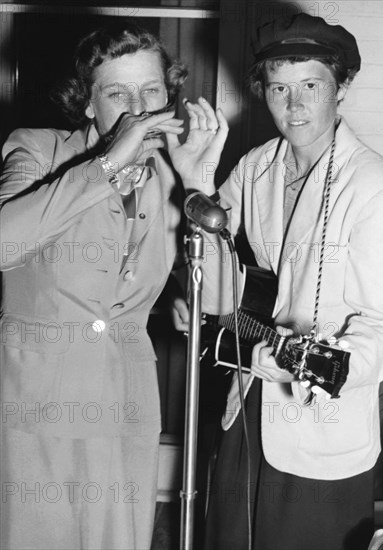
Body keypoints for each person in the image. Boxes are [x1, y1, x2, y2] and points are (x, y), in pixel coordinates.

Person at [188, 12, 383, 550]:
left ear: (340, 88)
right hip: (247, 403)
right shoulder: (256, 167)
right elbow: (209, 265)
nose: (294, 106)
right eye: (279, 89)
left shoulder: (377, 191)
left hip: (322, 414)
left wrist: (326, 366)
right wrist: (196, 181)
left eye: (311, 86)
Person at [0, 20, 227, 550]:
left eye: (152, 91)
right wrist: (106, 165)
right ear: (86, 103)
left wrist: (199, 182)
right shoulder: (38, 151)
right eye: (117, 93)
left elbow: (219, 301)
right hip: (37, 404)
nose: (140, 108)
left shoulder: (175, 175)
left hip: (126, 402)